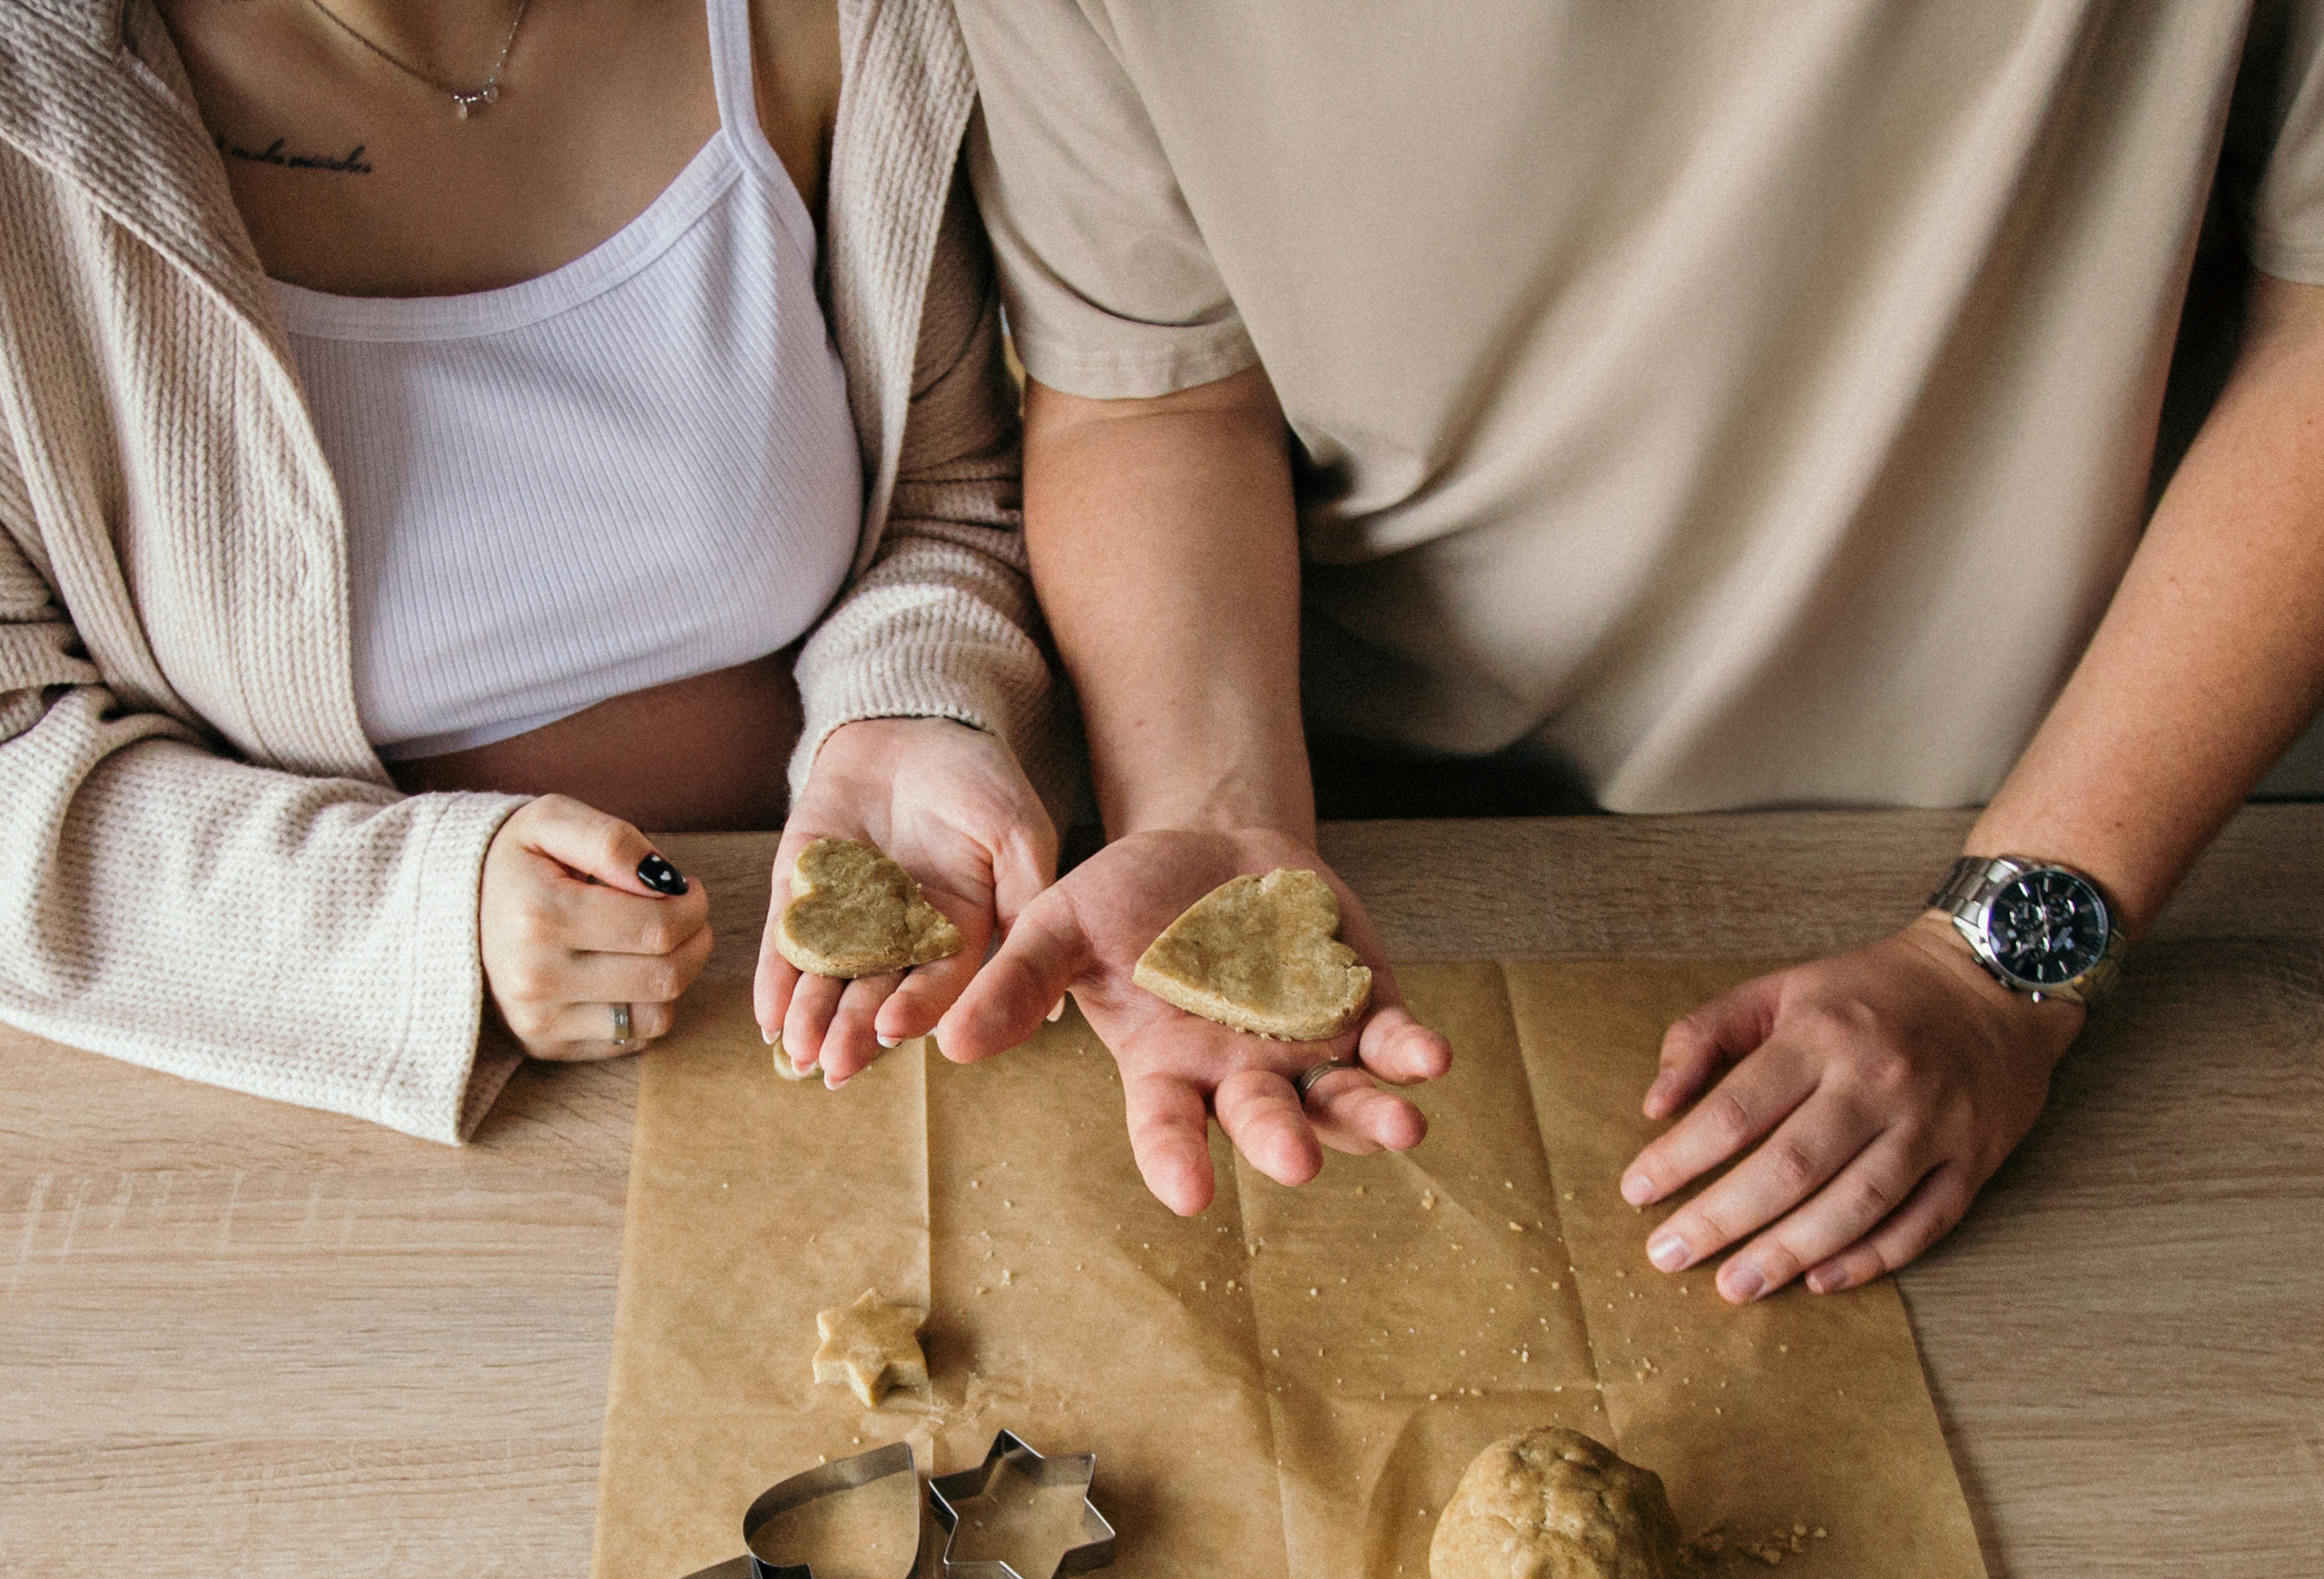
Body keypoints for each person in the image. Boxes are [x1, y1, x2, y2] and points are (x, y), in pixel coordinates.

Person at [937, 0, 2324, 1285]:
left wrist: (2007, 959)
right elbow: (1154, 400)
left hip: (2039, 816)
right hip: (1373, 845)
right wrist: (1211, 816)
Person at [0, 0, 1067, 1140]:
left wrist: (907, 706)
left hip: (910, 1006)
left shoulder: (846, 22)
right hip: (330, 1095)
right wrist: (420, 922)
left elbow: (949, 492)